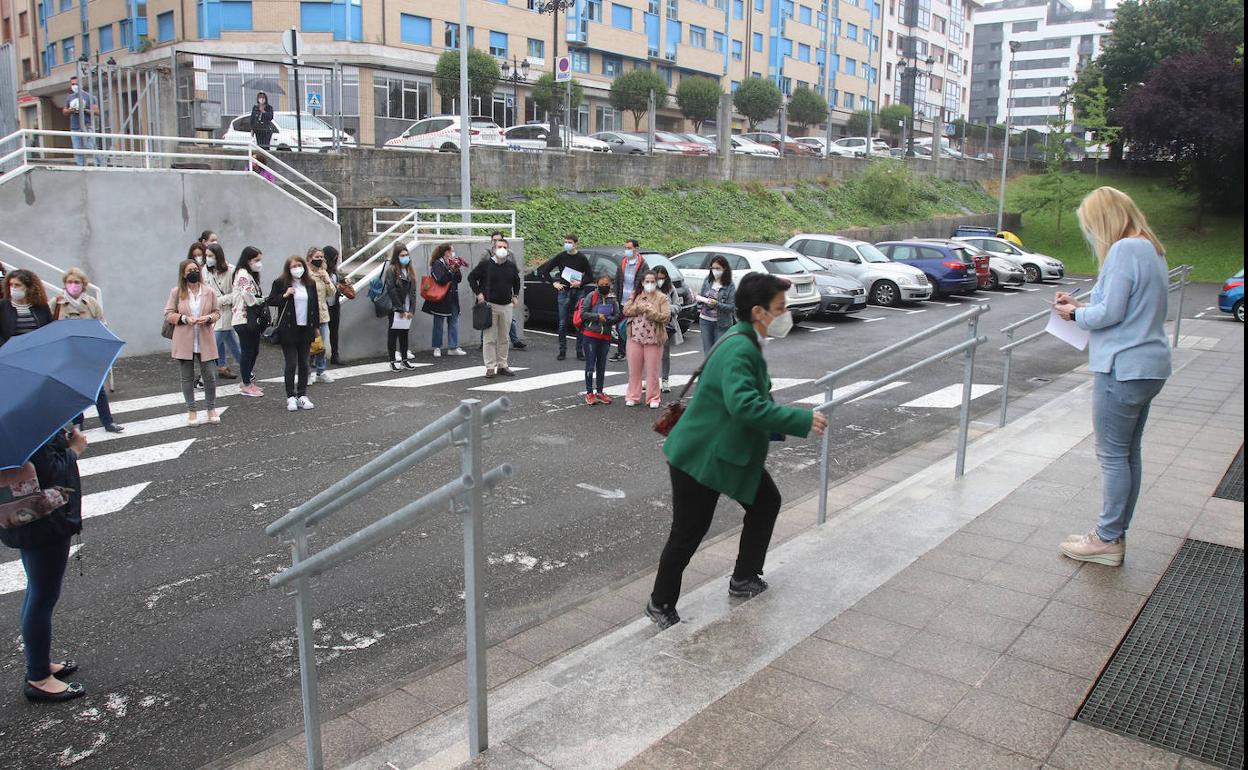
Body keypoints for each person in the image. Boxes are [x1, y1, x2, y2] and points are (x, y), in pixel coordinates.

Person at [646, 273, 829, 629]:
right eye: (780, 308)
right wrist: (799, 420)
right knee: (688, 530)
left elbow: (752, 401)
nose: (785, 314)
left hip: (724, 449)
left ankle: (744, 578)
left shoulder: (745, 338)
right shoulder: (740, 347)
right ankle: (659, 603)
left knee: (765, 502)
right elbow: (744, 406)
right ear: (759, 311)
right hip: (702, 454)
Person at [1054, 187, 1172, 567]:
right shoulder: (1151, 249)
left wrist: (1074, 315)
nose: (1090, 234)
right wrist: (1084, 307)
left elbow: (1111, 315)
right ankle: (1112, 533)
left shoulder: (1123, 250)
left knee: (1112, 457)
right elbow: (1123, 308)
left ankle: (1106, 539)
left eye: (1090, 225)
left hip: (1121, 367)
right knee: (1128, 454)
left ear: (1103, 221)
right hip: (1148, 365)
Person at [2, 427, 91, 702]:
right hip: (44, 521)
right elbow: (49, 472)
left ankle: (40, 664)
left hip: (25, 518)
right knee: (43, 595)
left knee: (37, 592)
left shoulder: (14, 422)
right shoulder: (28, 426)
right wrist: (74, 449)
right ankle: (38, 677)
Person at [54, 268, 124, 433]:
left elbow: (102, 325)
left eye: (76, 282)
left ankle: (108, 422)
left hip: (89, 352)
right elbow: (50, 326)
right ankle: (77, 423)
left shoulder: (91, 303)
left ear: (84, 285)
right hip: (68, 353)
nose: (73, 285)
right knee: (73, 389)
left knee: (98, 388)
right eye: (69, 282)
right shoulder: (56, 303)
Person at [164, 259, 222, 426]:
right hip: (184, 340)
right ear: (183, 274)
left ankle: (211, 408)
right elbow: (168, 313)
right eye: (189, 270)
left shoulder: (209, 291)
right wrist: (183, 318)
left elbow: (216, 312)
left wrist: (209, 318)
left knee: (210, 376)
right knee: (186, 378)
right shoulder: (176, 292)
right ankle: (192, 410)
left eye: (195, 269)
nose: (193, 272)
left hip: (205, 338)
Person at [267, 255, 321, 411]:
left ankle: (302, 394)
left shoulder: (310, 283)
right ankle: (290, 396)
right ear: (288, 269)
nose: (297, 269)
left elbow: (314, 306)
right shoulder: (280, 283)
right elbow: (271, 300)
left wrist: (316, 326)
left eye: (299, 265)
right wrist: (285, 295)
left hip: (306, 328)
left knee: (304, 363)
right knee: (291, 363)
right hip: (288, 329)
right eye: (293, 266)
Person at [468, 236, 521, 378]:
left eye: (505, 247)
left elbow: (517, 281)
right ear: (494, 249)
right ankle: (490, 366)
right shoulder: (486, 265)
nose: (502, 249)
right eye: (499, 247)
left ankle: (503, 365)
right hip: (490, 305)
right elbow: (471, 277)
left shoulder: (511, 266)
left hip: (506, 306)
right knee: (489, 338)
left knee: (504, 337)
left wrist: (515, 296)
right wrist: (479, 293)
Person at [536, 234, 591, 361]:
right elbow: (544, 271)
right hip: (564, 290)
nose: (567, 244)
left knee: (579, 321)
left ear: (575, 243)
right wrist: (554, 283)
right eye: (566, 242)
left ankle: (579, 351)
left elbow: (590, 276)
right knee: (562, 322)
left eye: (569, 242)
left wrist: (580, 283)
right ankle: (562, 350)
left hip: (578, 291)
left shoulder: (581, 258)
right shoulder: (561, 256)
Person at [622, 271, 671, 408]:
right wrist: (638, 307)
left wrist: (652, 312)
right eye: (647, 281)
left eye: (652, 281)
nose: (649, 284)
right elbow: (626, 310)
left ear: (656, 282)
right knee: (634, 370)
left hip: (654, 339)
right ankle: (633, 396)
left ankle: (653, 398)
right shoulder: (636, 295)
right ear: (642, 282)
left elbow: (666, 317)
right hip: (635, 338)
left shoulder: (662, 298)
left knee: (653, 371)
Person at [577, 274, 621, 405]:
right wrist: (597, 317)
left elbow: (618, 315)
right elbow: (583, 314)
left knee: (601, 365)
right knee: (590, 364)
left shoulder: (612, 298)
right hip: (590, 335)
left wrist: (607, 319)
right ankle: (589, 392)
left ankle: (600, 392)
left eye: (607, 285)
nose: (604, 287)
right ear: (597, 284)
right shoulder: (592, 296)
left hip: (605, 336)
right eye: (602, 285)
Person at [231, 247, 267, 398]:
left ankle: (247, 381)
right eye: (256, 260)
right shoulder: (243, 274)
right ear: (248, 260)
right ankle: (246, 383)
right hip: (243, 318)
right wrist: (260, 301)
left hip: (249, 319)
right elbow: (247, 294)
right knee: (247, 351)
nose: (259, 264)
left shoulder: (249, 274)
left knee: (253, 351)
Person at [482, 232, 526, 350]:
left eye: (500, 240)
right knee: (487, 318)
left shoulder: (510, 254)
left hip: (505, 292)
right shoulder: (487, 254)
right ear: (492, 242)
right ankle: (484, 342)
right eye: (495, 240)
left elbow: (515, 273)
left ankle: (515, 340)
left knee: (510, 318)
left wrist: (514, 293)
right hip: (490, 294)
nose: (497, 243)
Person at [204, 243, 241, 380]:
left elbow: (236, 294)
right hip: (211, 314)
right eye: (206, 256)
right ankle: (242, 368)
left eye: (211, 256)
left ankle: (205, 376)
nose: (208, 259)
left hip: (226, 313)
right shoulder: (205, 270)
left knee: (212, 345)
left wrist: (218, 300)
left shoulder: (231, 271)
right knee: (232, 345)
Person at [422, 243, 466, 357]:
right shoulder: (438, 264)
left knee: (454, 322)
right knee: (438, 323)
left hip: (453, 297)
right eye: (451, 250)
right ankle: (437, 347)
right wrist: (451, 270)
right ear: (446, 252)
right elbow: (441, 280)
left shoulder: (452, 262)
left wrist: (457, 269)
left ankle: (453, 347)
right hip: (441, 298)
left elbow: (459, 279)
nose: (453, 253)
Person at [384, 242, 418, 371]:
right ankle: (392, 360)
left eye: (406, 255)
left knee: (404, 334)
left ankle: (404, 359)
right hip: (396, 308)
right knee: (393, 334)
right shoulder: (392, 270)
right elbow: (391, 290)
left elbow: (413, 292)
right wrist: (400, 309)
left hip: (407, 307)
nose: (405, 257)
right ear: (396, 257)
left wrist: (411, 309)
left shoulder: (409, 270)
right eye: (402, 255)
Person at [612, 240, 647, 361]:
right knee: (620, 327)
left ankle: (636, 352)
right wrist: (617, 296)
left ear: (636, 249)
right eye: (625, 248)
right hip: (622, 302)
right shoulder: (623, 262)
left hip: (635, 303)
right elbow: (616, 281)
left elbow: (645, 283)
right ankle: (621, 352)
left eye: (629, 248)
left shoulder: (643, 264)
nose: (626, 250)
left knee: (635, 328)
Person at [653, 265, 686, 393]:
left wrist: (666, 308)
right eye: (658, 278)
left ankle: (665, 380)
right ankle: (652, 379)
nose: (660, 280)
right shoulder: (649, 288)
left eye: (662, 278)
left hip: (666, 326)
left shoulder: (671, 289)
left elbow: (678, 306)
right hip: (651, 326)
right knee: (650, 354)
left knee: (665, 354)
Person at [695, 255, 737, 355]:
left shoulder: (730, 285)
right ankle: (709, 370)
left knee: (719, 352)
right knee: (708, 351)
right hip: (705, 320)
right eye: (712, 268)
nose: (715, 271)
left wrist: (717, 304)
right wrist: (698, 298)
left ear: (724, 268)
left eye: (718, 268)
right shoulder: (708, 280)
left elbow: (732, 307)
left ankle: (719, 370)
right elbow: (702, 296)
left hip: (722, 323)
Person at [0, 269, 53, 345]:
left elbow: (49, 330)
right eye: (11, 284)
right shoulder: (2, 306)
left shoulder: (41, 307)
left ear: (29, 288)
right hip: (8, 353)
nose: (13, 288)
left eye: (17, 285)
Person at [306, 247, 336, 383]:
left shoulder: (324, 273)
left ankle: (321, 370)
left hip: (323, 314)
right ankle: (307, 373)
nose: (319, 260)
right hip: (308, 314)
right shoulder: (305, 274)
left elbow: (332, 293)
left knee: (321, 345)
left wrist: (327, 281)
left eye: (321, 257)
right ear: (309, 258)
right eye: (316, 257)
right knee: (308, 345)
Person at [62, 76, 99, 167]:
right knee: (77, 149)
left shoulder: (89, 97)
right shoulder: (70, 98)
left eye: (76, 84)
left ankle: (100, 164)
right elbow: (64, 111)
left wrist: (85, 110)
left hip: (86, 126)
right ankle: (80, 166)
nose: (74, 86)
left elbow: (96, 112)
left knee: (91, 147)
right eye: (72, 84)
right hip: (75, 127)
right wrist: (72, 110)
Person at [323, 246, 349, 365]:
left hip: (334, 305)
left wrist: (343, 283)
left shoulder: (334, 272)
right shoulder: (321, 273)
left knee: (334, 331)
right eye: (335, 258)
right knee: (322, 332)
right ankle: (319, 358)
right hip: (324, 306)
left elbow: (337, 284)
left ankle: (335, 355)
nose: (336, 261)